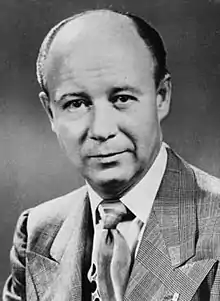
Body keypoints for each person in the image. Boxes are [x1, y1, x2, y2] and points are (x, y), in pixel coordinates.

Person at [3, 9, 220, 301]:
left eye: (122, 99)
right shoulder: (38, 232)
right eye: (76, 104)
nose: (102, 130)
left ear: (162, 97)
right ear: (50, 113)